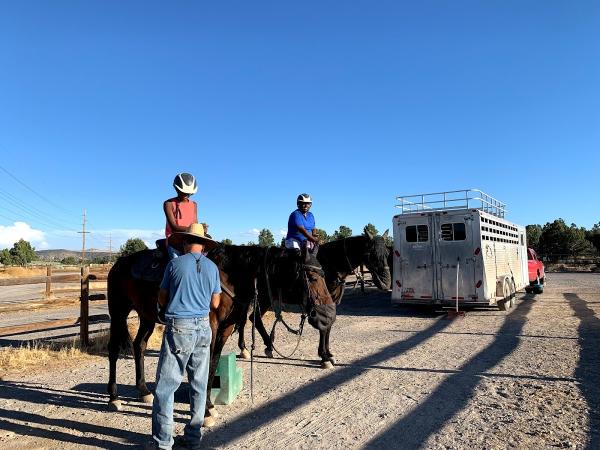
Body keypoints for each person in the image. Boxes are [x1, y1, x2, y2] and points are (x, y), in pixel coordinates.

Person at [151, 223, 221, 450]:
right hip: (203, 328)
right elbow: (215, 302)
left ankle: (163, 443)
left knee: (165, 387)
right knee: (199, 385)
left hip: (179, 328)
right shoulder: (212, 267)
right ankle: (192, 438)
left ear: (184, 242)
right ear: (203, 244)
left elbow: (162, 297)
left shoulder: (174, 264)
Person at [164, 173, 198, 259]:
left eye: (188, 193)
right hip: (175, 241)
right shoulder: (168, 204)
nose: (186, 195)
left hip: (190, 240)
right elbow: (173, 227)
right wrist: (194, 229)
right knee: (177, 263)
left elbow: (195, 223)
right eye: (184, 192)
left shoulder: (194, 204)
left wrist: (201, 228)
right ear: (176, 189)